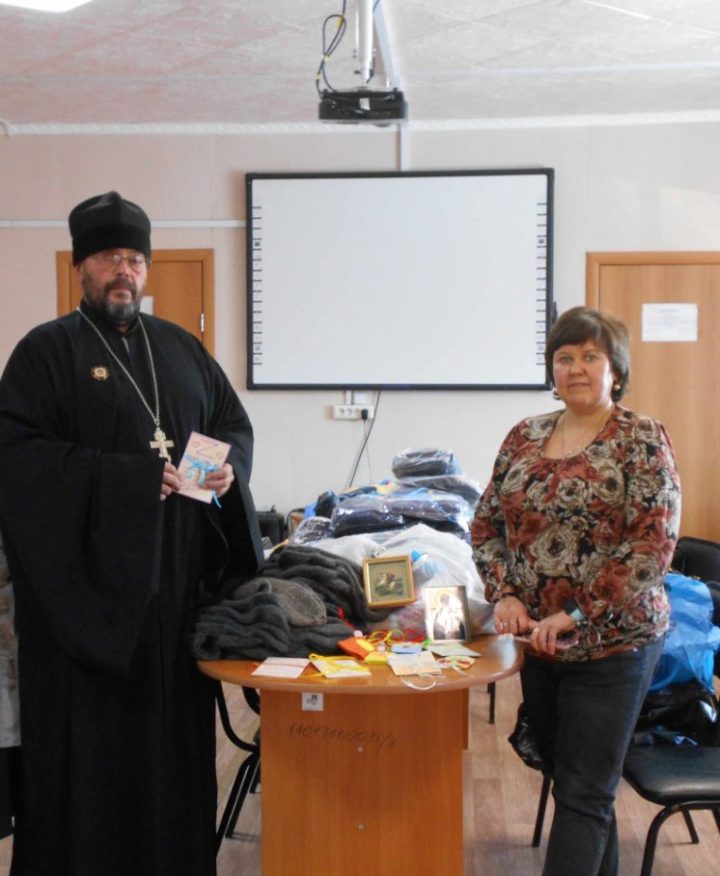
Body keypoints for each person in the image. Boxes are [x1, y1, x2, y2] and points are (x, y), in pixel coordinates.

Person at [0, 191, 264, 875]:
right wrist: (127, 481)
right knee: (87, 776)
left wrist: (226, 471)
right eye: (110, 258)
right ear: (80, 268)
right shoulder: (44, 354)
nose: (126, 271)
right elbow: (18, 463)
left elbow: (230, 425)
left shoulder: (181, 348)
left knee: (172, 765)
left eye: (136, 260)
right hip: (81, 617)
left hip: (172, 600)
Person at [471, 306, 680, 876]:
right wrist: (506, 593)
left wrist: (576, 613)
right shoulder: (525, 435)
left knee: (585, 793)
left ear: (616, 369)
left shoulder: (641, 438)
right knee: (573, 785)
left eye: (591, 356)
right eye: (564, 358)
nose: (576, 368)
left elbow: (652, 546)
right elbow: (486, 524)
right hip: (540, 644)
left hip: (615, 644)